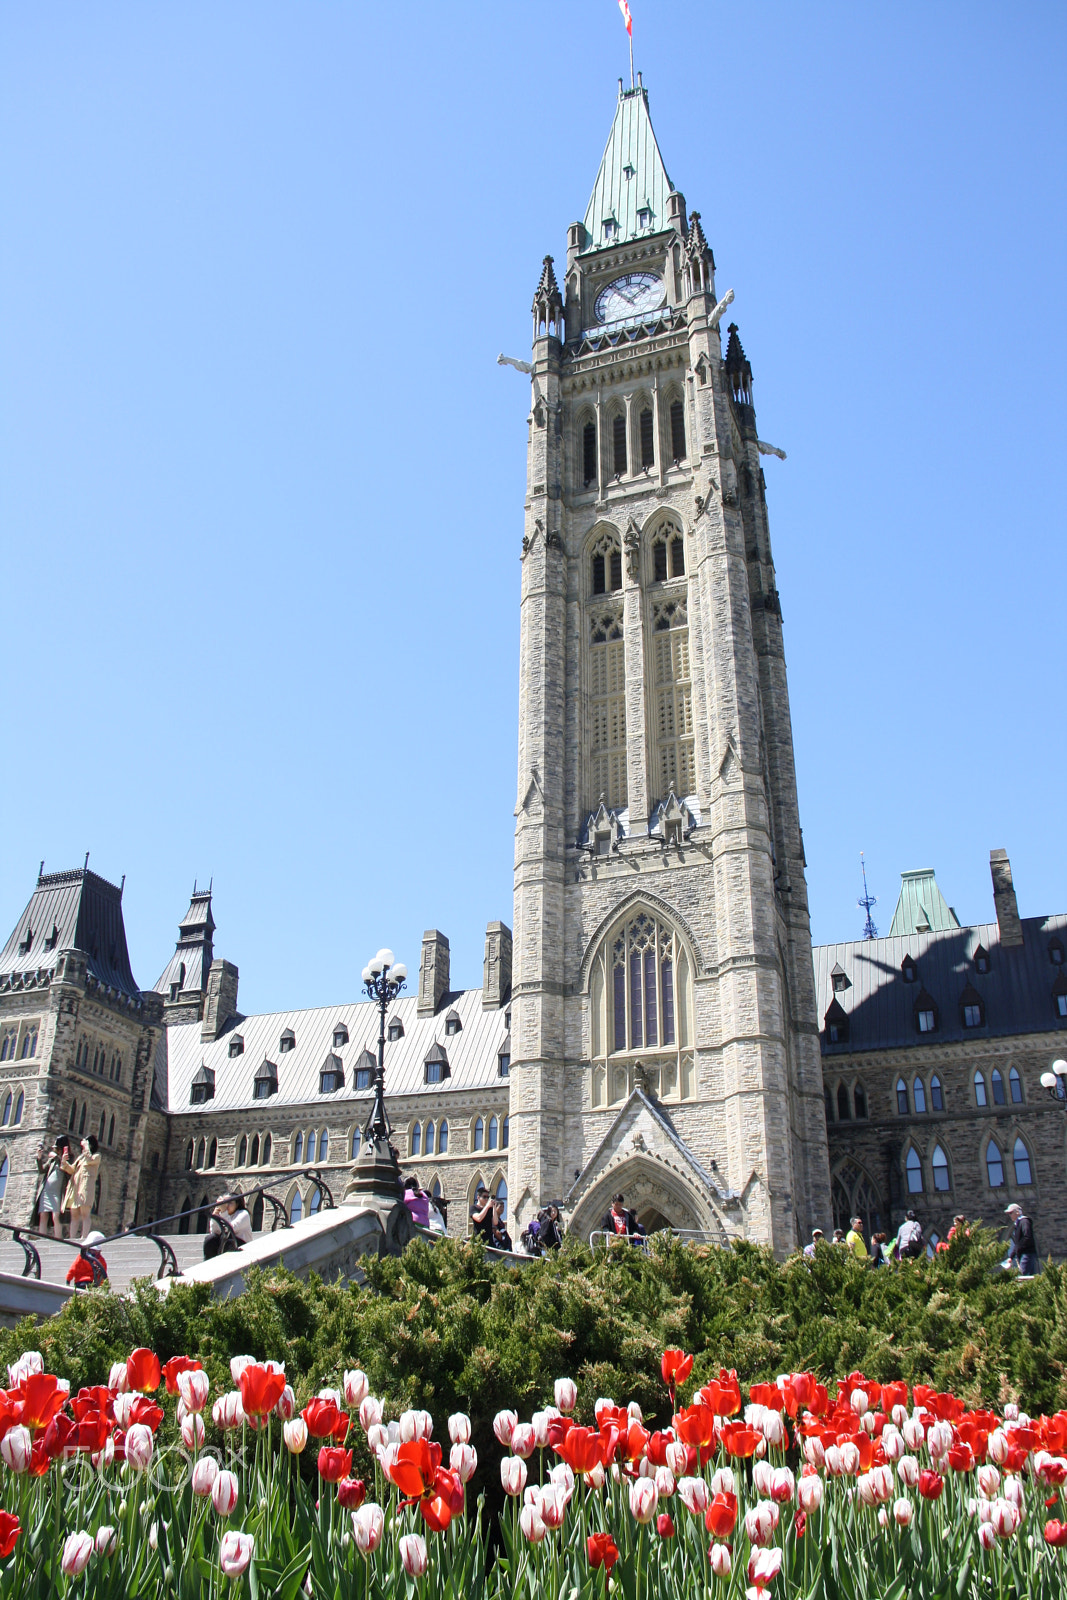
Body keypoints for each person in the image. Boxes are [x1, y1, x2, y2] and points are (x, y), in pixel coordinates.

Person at [61, 1135, 100, 1243]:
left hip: (86, 1188)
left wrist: (86, 1146)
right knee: (74, 1214)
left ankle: (84, 1237)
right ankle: (72, 1238)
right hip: (75, 1188)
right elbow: (71, 1170)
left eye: (86, 1143)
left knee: (85, 1213)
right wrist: (64, 1162)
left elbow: (90, 1159)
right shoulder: (80, 1158)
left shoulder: (96, 1156)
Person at [36, 1136, 72, 1237]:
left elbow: (68, 1170)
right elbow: (42, 1170)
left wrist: (56, 1157)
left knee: (56, 1216)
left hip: (58, 1192)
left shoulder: (67, 1157)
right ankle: (41, 1237)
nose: (54, 1149)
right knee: (43, 1215)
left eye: (56, 1147)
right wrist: (39, 1157)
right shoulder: (52, 1160)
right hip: (47, 1190)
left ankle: (58, 1238)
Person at [203, 1193, 253, 1259]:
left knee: (228, 1241)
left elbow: (230, 1230)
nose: (226, 1205)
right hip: (225, 1243)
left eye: (230, 1203)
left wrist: (224, 1212)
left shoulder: (243, 1214)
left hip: (240, 1245)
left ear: (237, 1204)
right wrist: (215, 1216)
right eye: (224, 1202)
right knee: (210, 1239)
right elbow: (214, 1231)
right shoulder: (223, 1214)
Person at [1005, 1202, 1039, 1276]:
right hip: (1025, 1254)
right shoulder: (1018, 1224)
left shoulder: (1024, 1221)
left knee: (1022, 1276)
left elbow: (1027, 1237)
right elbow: (1018, 1243)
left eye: (1011, 1213)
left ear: (1017, 1212)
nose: (1010, 1215)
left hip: (1027, 1254)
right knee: (1030, 1276)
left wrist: (1018, 1249)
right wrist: (1011, 1256)